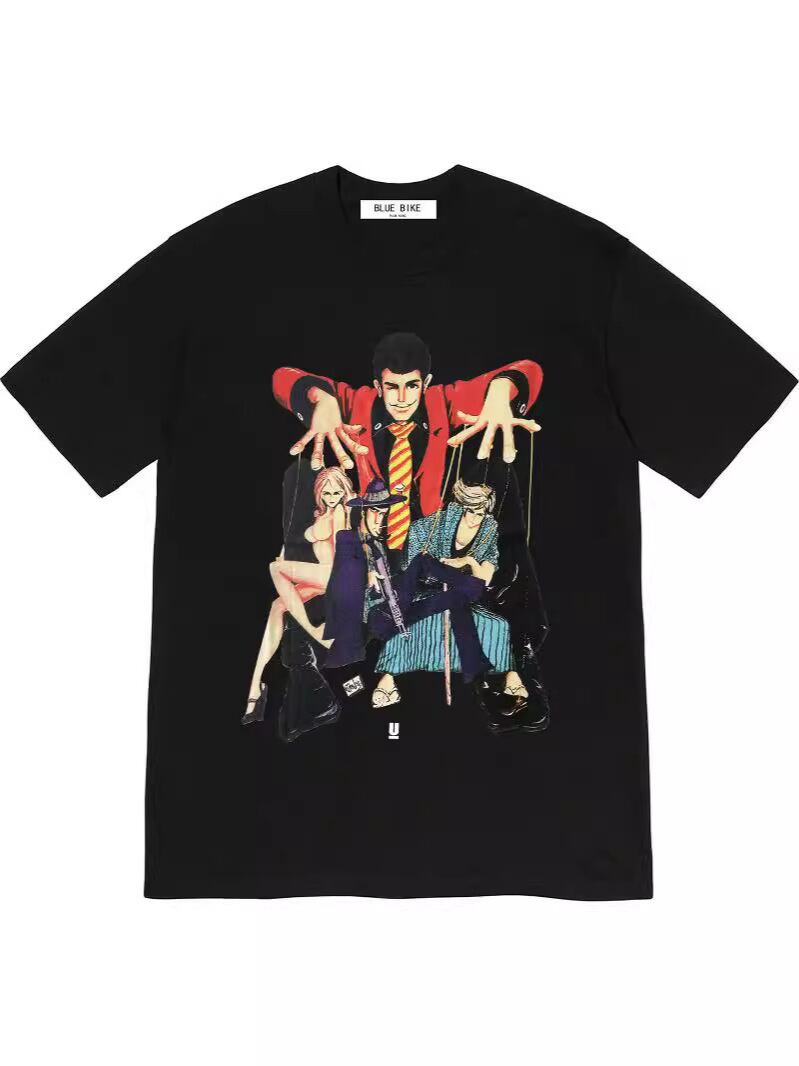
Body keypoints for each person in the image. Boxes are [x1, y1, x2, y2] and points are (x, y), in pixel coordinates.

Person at [272, 332, 542, 549]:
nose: (402, 399)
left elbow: (530, 369)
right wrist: (320, 398)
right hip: (370, 540)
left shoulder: (442, 401)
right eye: (392, 387)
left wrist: (500, 390)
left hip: (429, 541)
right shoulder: (357, 403)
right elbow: (281, 377)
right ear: (378, 387)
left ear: (425, 384)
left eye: (412, 386)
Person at [373, 479, 528, 708]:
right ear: (462, 506)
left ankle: (509, 675)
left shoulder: (489, 529)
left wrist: (468, 561)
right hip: (427, 590)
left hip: (463, 593)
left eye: (480, 513)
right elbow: (414, 560)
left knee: (497, 624)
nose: (474, 518)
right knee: (407, 619)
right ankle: (388, 680)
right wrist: (440, 567)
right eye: (470, 511)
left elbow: (485, 579)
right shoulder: (439, 522)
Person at [323, 479, 491, 683]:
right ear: (363, 511)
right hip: (375, 618)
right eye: (375, 512)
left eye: (384, 513)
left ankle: (475, 667)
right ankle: (474, 586)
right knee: (421, 561)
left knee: (454, 598)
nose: (380, 520)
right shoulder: (347, 538)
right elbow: (345, 569)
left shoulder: (378, 544)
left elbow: (390, 578)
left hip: (395, 613)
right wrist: (365, 575)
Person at [242, 466, 354, 723]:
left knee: (275, 569)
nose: (332, 497)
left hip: (333, 576)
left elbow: (341, 552)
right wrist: (285, 553)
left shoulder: (340, 512)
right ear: (319, 491)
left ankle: (314, 631)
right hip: (321, 578)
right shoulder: (322, 512)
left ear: (344, 491)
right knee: (277, 606)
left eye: (337, 492)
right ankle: (255, 686)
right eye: (327, 492)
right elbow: (298, 539)